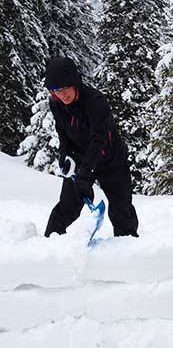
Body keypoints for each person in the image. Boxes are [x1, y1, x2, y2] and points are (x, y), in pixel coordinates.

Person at [44, 57, 139, 239]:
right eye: (56, 91)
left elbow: (100, 139)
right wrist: (65, 154)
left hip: (111, 160)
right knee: (68, 206)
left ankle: (128, 251)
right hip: (80, 160)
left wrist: (86, 171)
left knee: (121, 208)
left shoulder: (95, 101)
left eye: (65, 88)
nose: (62, 95)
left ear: (74, 83)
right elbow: (62, 131)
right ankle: (49, 245)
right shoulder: (56, 103)